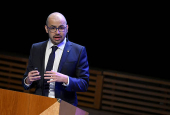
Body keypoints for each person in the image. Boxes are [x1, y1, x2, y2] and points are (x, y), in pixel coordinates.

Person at [22, 12, 89, 106]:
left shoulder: (78, 50)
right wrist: (28, 80)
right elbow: (26, 82)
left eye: (61, 28)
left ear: (67, 28)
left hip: (64, 106)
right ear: (46, 29)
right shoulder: (36, 48)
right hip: (38, 104)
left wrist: (66, 79)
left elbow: (84, 84)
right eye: (53, 28)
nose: (57, 32)